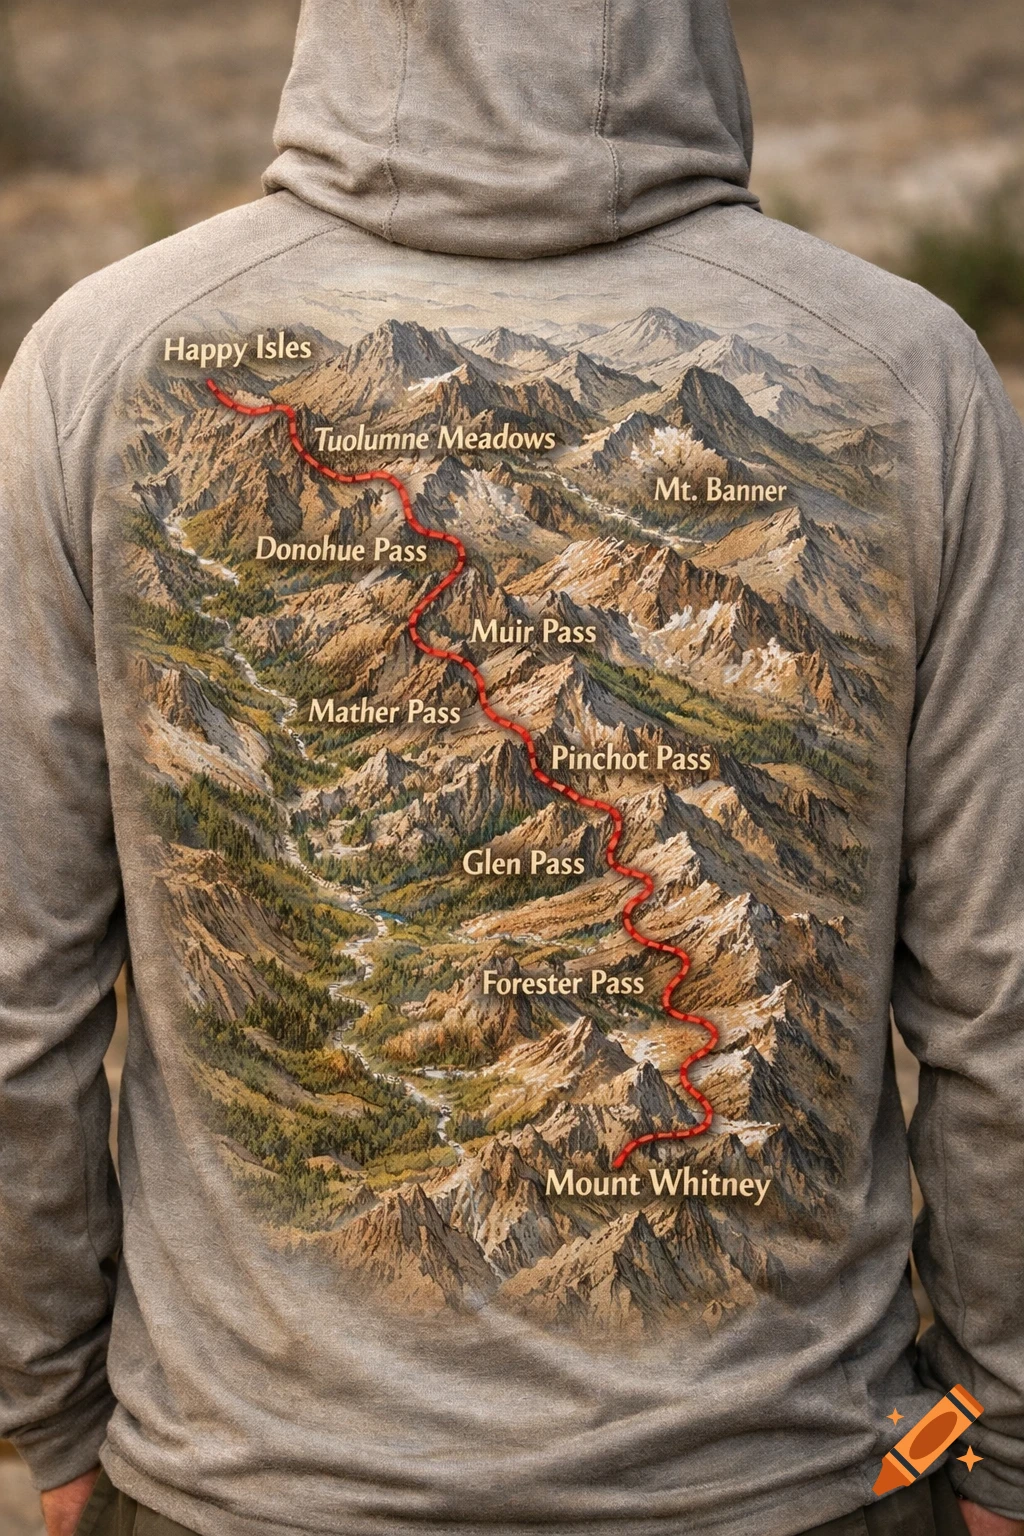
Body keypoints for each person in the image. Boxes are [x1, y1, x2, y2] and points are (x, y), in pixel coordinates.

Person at [1, 2, 1022, 1535]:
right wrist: (994, 1441)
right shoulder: (910, 376)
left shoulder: (103, 360)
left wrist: (53, 1412)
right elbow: (999, 1002)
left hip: (236, 1485)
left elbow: (22, 991)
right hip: (800, 1481)